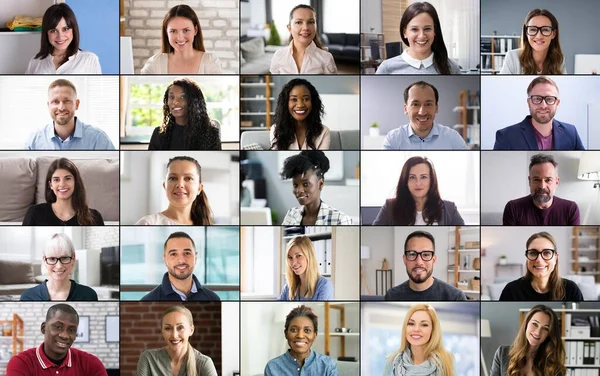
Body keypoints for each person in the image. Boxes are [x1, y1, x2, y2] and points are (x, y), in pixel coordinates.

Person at [6, 304, 107, 375]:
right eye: (58, 327)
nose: (65, 335)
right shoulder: (21, 363)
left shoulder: (91, 363)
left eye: (71, 330)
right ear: (43, 328)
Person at [494, 76, 584, 150]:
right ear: (529, 102)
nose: (543, 105)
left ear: (557, 103)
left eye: (549, 99)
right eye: (537, 99)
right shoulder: (506, 136)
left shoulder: (571, 132)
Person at [26, 79, 115, 150]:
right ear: (48, 105)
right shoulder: (34, 141)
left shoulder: (98, 139)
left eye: (67, 101)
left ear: (76, 104)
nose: (61, 108)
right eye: (55, 102)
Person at [373, 156, 465, 225]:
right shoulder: (390, 207)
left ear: (431, 180)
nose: (418, 183)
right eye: (412, 177)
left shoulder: (449, 208)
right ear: (405, 181)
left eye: (423, 177)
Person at [376, 2, 461, 75]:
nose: (421, 36)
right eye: (414, 29)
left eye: (427, 29)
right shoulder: (386, 68)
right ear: (405, 32)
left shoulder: (452, 68)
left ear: (435, 31)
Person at [499, 232, 583, 301]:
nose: (539, 260)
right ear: (527, 257)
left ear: (555, 258)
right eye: (533, 253)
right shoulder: (511, 290)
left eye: (546, 253)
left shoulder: (571, 289)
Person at [383, 81, 467, 149]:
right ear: (406, 109)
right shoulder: (393, 139)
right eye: (415, 104)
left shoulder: (453, 138)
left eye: (428, 104)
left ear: (436, 108)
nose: (422, 112)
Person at [385, 231, 466, 301]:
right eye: (412, 254)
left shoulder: (455, 297)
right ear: (405, 259)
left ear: (433, 260)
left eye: (426, 254)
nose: (419, 262)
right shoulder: (392, 296)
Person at [137, 305, 218, 376]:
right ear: (162, 331)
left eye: (180, 328)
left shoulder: (204, 363)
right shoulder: (148, 359)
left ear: (191, 330)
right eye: (168, 328)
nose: (174, 335)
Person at [141, 4, 222, 74]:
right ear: (166, 32)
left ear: (195, 30)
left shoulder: (210, 62)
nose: (180, 38)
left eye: (186, 30)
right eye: (173, 31)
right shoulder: (155, 63)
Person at [22, 158, 104, 226]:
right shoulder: (35, 213)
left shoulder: (95, 217)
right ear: (50, 185)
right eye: (56, 180)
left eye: (67, 178)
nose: (62, 184)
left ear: (76, 182)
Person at [503, 153, 580, 225]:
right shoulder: (513, 208)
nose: (542, 186)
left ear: (556, 182)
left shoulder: (570, 209)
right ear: (529, 181)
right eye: (536, 179)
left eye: (548, 180)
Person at [142, 231, 220, 301]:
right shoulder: (148, 300)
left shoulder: (213, 298)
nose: (181, 260)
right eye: (173, 254)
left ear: (195, 258)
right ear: (165, 259)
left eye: (187, 253)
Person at [26, 3, 101, 74]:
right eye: (53, 31)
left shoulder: (89, 59)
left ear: (73, 30)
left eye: (65, 29)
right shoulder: (35, 61)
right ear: (46, 33)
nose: (60, 36)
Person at [491, 305, 565, 376]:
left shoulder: (553, 366)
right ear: (526, 324)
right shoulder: (502, 353)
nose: (538, 332)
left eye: (545, 328)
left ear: (549, 334)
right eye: (535, 324)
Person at [280, 151, 352, 225]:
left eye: (305, 184)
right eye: (295, 185)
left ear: (320, 184)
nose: (299, 190)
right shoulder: (291, 214)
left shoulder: (340, 219)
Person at [136, 156, 213, 225]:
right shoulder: (148, 223)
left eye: (188, 178)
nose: (180, 184)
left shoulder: (206, 224)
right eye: (173, 178)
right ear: (164, 186)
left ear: (199, 188)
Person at [148, 78, 221, 150]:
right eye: (171, 97)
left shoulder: (210, 133)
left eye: (183, 97)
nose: (175, 102)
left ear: (194, 101)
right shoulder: (159, 134)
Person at [20, 233, 98, 301]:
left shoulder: (89, 295)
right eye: (52, 259)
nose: (59, 266)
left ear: (73, 258)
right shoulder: (28, 296)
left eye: (64, 258)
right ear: (44, 260)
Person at [264, 305, 338, 375]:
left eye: (307, 330)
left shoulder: (328, 366)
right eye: (294, 330)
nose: (300, 335)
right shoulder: (272, 367)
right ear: (286, 334)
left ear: (314, 336)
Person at [384, 304, 455, 376]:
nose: (416, 329)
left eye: (424, 325)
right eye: (411, 323)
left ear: (433, 330)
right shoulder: (392, 362)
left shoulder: (447, 362)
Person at [270, 4, 337, 74]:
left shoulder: (326, 58)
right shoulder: (279, 55)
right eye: (299, 22)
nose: (305, 28)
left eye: (311, 22)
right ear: (289, 28)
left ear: (316, 27)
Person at [270, 78, 331, 150]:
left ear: (313, 102)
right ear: (286, 103)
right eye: (294, 99)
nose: (300, 105)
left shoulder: (324, 131)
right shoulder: (276, 129)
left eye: (306, 99)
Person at [500, 9, 566, 75]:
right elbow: (502, 85)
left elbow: (563, 85)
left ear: (553, 34)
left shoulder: (559, 59)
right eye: (533, 29)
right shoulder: (512, 57)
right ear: (526, 32)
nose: (539, 36)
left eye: (545, 30)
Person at [279, 235, 334, 301]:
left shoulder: (324, 286)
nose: (293, 263)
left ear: (309, 257)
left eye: (298, 256)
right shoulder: (288, 287)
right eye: (290, 257)